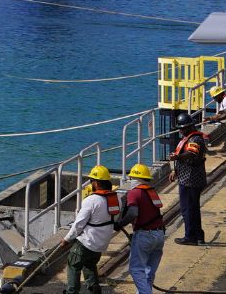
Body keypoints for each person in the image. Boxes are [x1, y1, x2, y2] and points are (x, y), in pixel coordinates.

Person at [61, 165, 120, 294]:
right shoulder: (116, 199)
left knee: (73, 262)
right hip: (101, 243)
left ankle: (72, 291)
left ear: (96, 183)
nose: (90, 183)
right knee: (90, 264)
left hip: (87, 242)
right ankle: (95, 290)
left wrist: (66, 239)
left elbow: (78, 224)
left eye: (91, 181)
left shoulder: (91, 200)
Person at [115, 162, 165, 294]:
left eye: (131, 178)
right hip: (159, 234)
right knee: (149, 271)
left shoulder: (134, 192)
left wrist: (120, 224)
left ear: (135, 178)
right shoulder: (151, 191)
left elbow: (133, 213)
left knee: (136, 270)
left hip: (144, 235)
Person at [172, 112, 209, 245]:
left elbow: (191, 153)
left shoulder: (195, 139)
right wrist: (175, 170)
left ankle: (190, 237)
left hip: (190, 179)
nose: (180, 131)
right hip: (187, 176)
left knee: (187, 209)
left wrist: (177, 157)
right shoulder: (189, 138)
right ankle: (198, 236)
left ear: (189, 127)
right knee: (193, 208)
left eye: (182, 128)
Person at [211, 87, 226, 155]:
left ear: (219, 95)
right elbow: (220, 113)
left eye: (214, 98)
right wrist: (211, 118)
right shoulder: (224, 100)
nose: (215, 100)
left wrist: (217, 119)